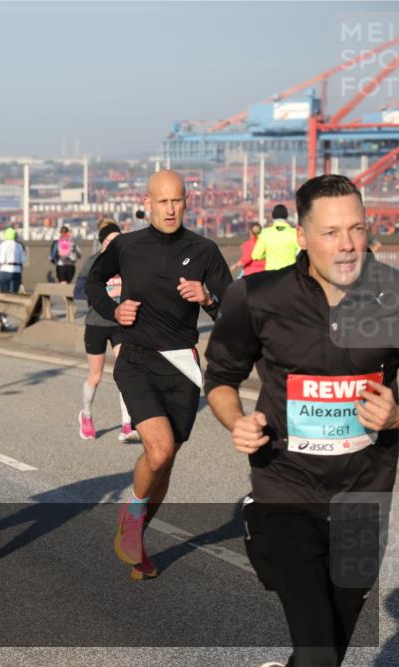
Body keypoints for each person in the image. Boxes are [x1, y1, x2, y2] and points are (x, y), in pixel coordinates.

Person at [204, 174, 399, 667]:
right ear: (303, 237)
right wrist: (237, 422)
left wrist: (397, 413)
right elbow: (221, 379)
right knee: (317, 653)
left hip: (363, 496)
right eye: (332, 232)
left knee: (326, 652)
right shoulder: (257, 298)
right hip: (285, 492)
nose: (348, 244)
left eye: (356, 228)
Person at [86, 170, 232, 580]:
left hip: (182, 365)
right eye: (162, 202)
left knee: (164, 464)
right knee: (160, 450)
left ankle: (136, 536)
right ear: (146, 203)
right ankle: (132, 518)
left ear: (186, 202)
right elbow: (93, 280)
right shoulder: (128, 246)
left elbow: (233, 309)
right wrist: (113, 310)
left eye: (177, 201)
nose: (170, 209)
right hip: (136, 359)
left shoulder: (204, 250)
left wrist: (208, 298)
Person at [74, 221, 138, 443]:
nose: (114, 245)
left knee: (125, 373)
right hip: (96, 324)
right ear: (102, 243)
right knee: (96, 376)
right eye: (110, 241)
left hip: (120, 325)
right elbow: (79, 290)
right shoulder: (93, 263)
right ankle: (87, 416)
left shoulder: (126, 262)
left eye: (117, 240)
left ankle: (127, 424)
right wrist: (101, 297)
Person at [253, 204, 299, 271]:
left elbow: (255, 256)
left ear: (273, 216)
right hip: (290, 273)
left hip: (271, 275)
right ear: (286, 216)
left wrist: (267, 254)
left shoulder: (265, 233)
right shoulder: (295, 233)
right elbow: (301, 253)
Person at [0, 227, 27, 294]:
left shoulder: (3, 245)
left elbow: (2, 260)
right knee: (14, 294)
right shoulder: (19, 246)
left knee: (4, 294)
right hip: (17, 271)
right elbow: (24, 260)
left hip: (5, 271)